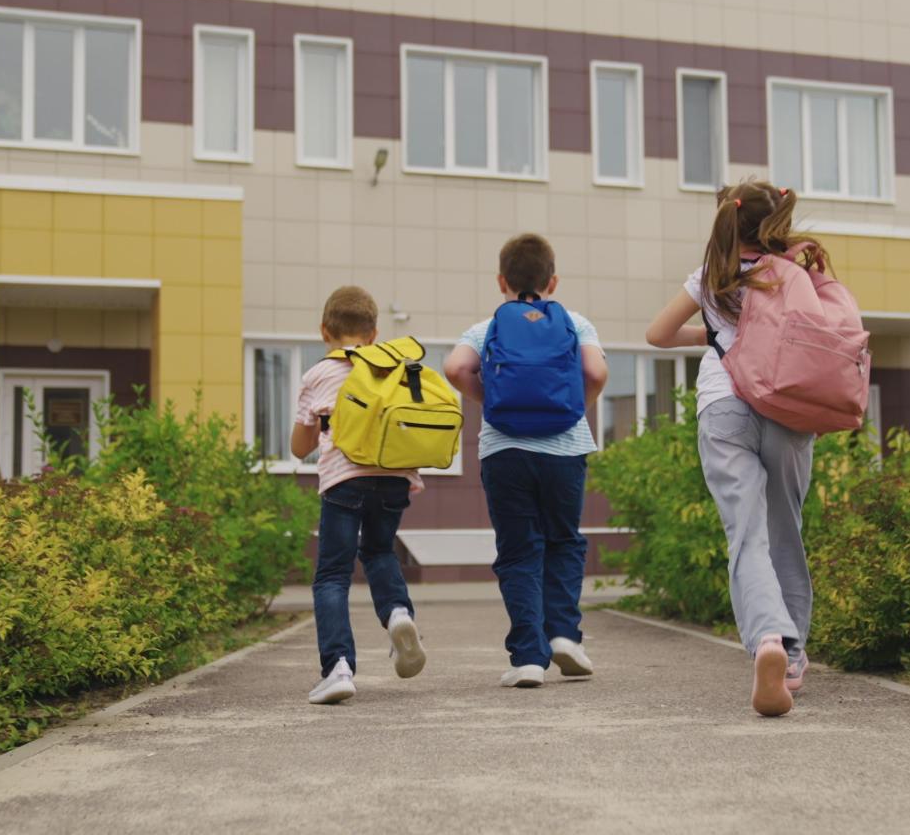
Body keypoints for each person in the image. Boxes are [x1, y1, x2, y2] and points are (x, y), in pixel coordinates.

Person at [644, 180, 820, 717]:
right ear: (776, 223)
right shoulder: (790, 274)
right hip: (785, 405)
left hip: (723, 404)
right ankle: (792, 658)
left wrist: (716, 331)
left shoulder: (710, 276)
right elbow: (816, 334)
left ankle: (768, 638)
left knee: (745, 533)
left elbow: (657, 334)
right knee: (785, 527)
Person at [444, 234, 609, 688]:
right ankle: (565, 636)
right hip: (565, 449)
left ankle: (528, 658)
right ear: (552, 281)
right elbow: (596, 372)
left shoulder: (485, 328)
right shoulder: (575, 323)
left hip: (505, 450)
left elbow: (455, 368)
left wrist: (491, 400)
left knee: (519, 550)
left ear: (502, 281)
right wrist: (574, 409)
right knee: (564, 542)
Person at [294, 286, 428, 705]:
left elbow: (299, 447)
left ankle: (337, 668)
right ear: (373, 334)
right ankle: (398, 613)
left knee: (333, 574)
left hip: (343, 481)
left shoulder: (318, 375)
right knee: (379, 551)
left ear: (324, 331)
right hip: (393, 478)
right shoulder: (393, 368)